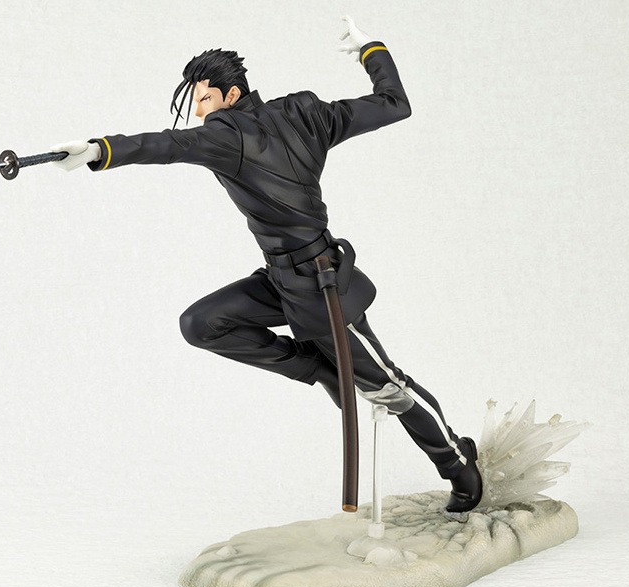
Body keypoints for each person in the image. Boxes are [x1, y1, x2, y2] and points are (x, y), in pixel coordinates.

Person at [50, 17, 482, 513]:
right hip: (280, 279)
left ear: (231, 95)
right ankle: (321, 370)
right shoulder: (306, 112)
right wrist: (372, 51)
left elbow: (165, 144)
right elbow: (392, 102)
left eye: (204, 98)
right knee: (202, 324)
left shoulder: (226, 134)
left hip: (321, 286)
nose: (198, 110)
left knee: (388, 387)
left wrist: (100, 151)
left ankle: (457, 460)